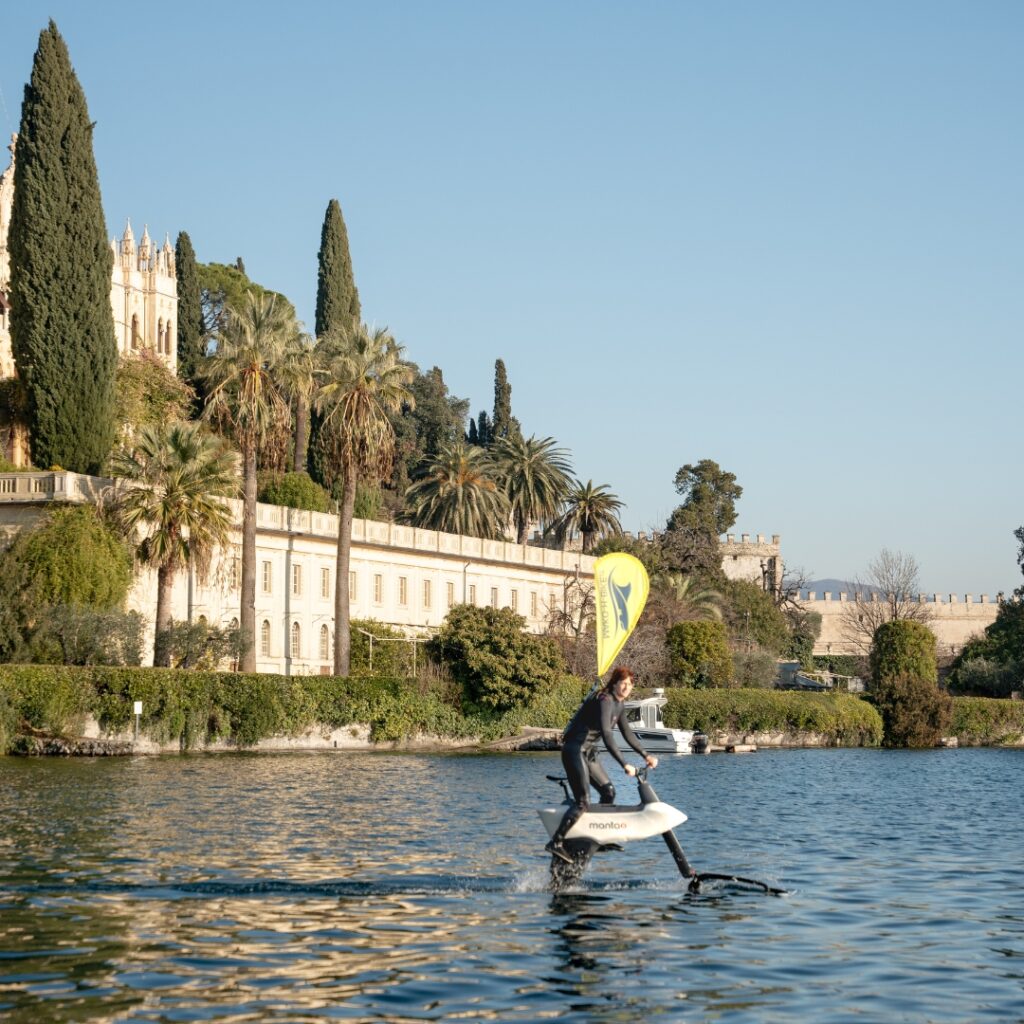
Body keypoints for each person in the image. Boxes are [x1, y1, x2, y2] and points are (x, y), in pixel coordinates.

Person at [545, 665, 658, 864]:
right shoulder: (605, 700)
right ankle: (556, 842)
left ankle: (599, 836)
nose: (625, 688)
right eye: (622, 683)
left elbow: (628, 734)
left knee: (609, 792)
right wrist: (624, 764)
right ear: (614, 684)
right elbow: (607, 734)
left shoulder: (620, 705)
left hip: (587, 753)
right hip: (574, 750)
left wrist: (645, 755)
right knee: (583, 801)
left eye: (629, 685)